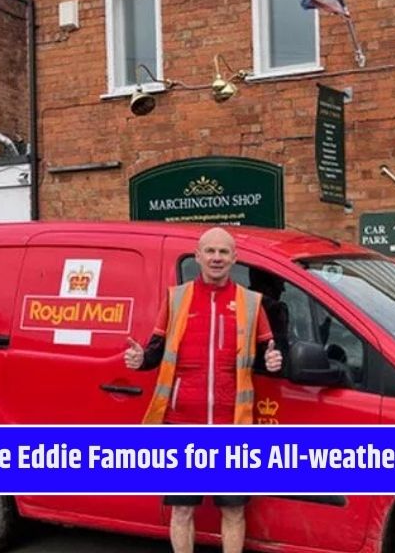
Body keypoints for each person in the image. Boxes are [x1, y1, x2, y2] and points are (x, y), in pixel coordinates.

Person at [124, 226, 283, 553]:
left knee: (234, 509)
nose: (216, 258)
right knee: (182, 509)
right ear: (197, 256)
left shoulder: (252, 303)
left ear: (234, 258)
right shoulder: (177, 297)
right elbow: (156, 350)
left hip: (232, 428)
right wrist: (141, 359)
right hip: (182, 426)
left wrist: (275, 360)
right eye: (209, 251)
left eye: (223, 252)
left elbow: (267, 353)